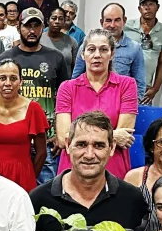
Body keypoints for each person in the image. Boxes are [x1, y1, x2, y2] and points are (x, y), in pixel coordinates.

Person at [0, 8, 67, 183]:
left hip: (47, 139)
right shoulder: (6, 58)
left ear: (43, 28)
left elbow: (65, 99)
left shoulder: (56, 57)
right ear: (19, 27)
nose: (32, 30)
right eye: (27, 26)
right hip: (16, 140)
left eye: (36, 26)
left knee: (45, 192)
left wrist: (60, 133)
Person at [55, 31, 138, 179]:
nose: (97, 55)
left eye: (104, 49)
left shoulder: (127, 85)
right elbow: (62, 138)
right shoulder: (67, 88)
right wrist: (112, 135)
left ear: (112, 54)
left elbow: (124, 136)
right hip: (73, 168)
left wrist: (79, 138)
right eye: (91, 49)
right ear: (83, 54)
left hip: (112, 167)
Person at [0, 61, 48, 191]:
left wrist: (29, 175)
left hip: (23, 177)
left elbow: (42, 152)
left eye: (13, 78)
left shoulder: (34, 109)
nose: (8, 83)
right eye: (3, 78)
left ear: (21, 81)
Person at [69, 4, 146, 99]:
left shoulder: (134, 48)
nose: (112, 25)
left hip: (121, 104)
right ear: (101, 22)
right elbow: (76, 79)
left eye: (117, 20)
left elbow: (139, 85)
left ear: (124, 20)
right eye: (108, 20)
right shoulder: (86, 48)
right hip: (89, 102)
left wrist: (130, 105)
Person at [124, 0, 162, 105]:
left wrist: (155, 88)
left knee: (142, 116)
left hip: (144, 88)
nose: (147, 8)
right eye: (144, 5)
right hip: (124, 84)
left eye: (151, 4)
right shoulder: (126, 27)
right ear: (139, 8)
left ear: (157, 7)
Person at [44, 7, 81, 77]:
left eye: (61, 19)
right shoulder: (39, 40)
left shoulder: (72, 42)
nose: (57, 21)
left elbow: (76, 68)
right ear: (48, 21)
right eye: (54, 18)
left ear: (64, 22)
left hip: (65, 82)